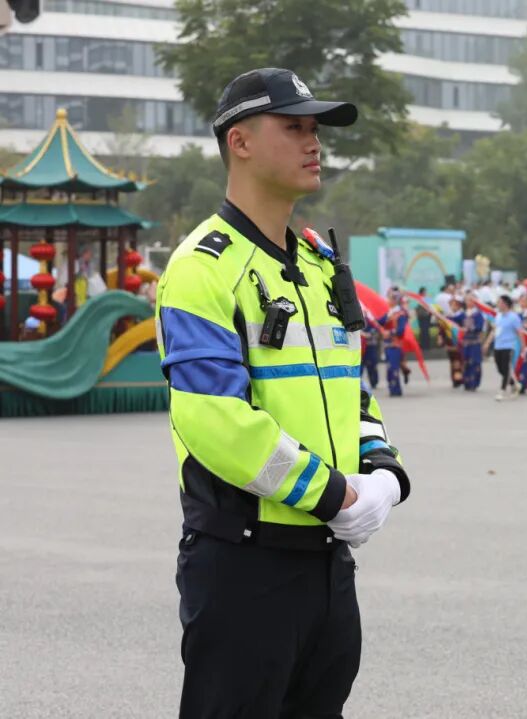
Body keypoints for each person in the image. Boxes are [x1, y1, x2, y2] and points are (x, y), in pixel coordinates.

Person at [155, 68, 410, 718]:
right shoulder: (201, 267)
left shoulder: (321, 265)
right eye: (293, 126)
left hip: (328, 562)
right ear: (239, 142)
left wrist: (382, 469)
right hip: (245, 564)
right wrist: (334, 494)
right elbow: (216, 420)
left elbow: (352, 392)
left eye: (315, 128)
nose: (313, 141)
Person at [484, 294, 523, 400]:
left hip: (509, 346)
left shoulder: (514, 317)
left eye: (500, 302)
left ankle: (502, 391)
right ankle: (514, 384)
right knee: (500, 369)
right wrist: (487, 343)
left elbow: (519, 332)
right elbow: (494, 331)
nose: (498, 304)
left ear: (505, 304)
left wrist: (523, 347)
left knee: (506, 368)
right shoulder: (498, 317)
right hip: (498, 346)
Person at [380, 292, 409, 397]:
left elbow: (401, 330)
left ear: (395, 301)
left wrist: (390, 332)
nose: (388, 301)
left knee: (393, 368)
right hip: (387, 345)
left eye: (390, 299)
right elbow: (379, 322)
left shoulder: (401, 314)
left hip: (395, 345)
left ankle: (396, 390)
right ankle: (392, 389)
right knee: (389, 369)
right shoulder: (389, 313)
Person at [461, 292, 486, 391]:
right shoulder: (463, 314)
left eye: (471, 300)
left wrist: (469, 329)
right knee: (466, 362)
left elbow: (480, 327)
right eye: (467, 300)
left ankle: (474, 382)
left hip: (474, 342)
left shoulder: (478, 314)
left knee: (475, 362)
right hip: (465, 342)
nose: (468, 302)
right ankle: (467, 382)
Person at [416, 286, 432, 350]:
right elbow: (420, 311)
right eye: (425, 292)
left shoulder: (426, 299)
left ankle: (426, 346)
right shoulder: (420, 299)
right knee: (424, 332)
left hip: (426, 318)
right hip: (423, 318)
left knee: (425, 332)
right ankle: (424, 346)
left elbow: (430, 307)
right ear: (422, 292)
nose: (426, 293)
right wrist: (427, 313)